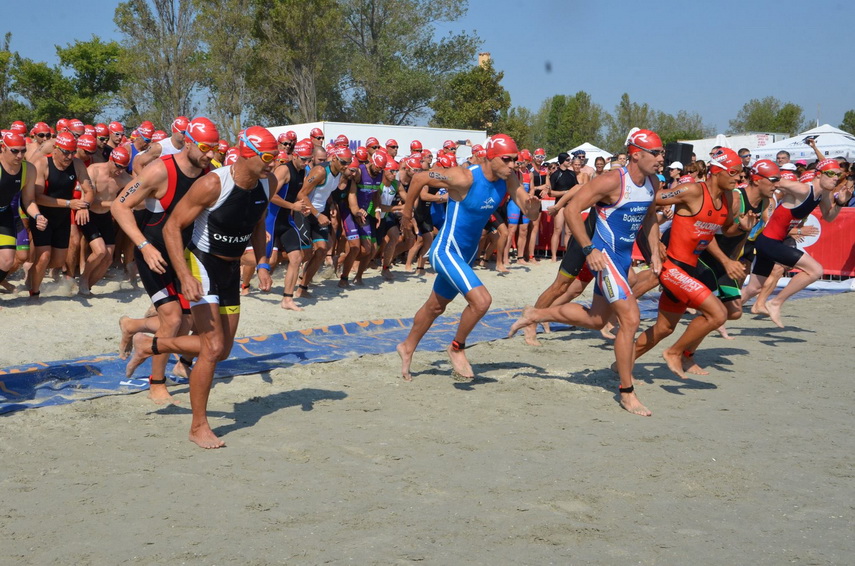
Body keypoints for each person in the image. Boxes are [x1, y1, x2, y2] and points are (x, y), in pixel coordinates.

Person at [126, 125, 278, 448]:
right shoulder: (213, 184)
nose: (272, 163)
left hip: (231, 268)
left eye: (275, 157)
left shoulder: (269, 183)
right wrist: (184, 276)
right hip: (203, 263)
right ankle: (198, 426)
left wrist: (262, 263)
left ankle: (150, 346)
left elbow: (258, 223)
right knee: (210, 347)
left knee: (222, 351)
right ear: (247, 152)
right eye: (267, 157)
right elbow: (172, 227)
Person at [509, 129, 664, 416]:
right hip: (604, 259)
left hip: (623, 259)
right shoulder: (611, 180)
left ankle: (535, 314)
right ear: (636, 154)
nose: (661, 158)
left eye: (662, 152)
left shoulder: (652, 182)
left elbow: (651, 217)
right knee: (631, 319)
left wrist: (654, 250)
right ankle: (626, 392)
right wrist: (589, 248)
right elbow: (572, 210)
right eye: (656, 153)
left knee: (596, 319)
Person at [397, 134, 539, 382]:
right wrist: (407, 214)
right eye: (507, 160)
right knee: (482, 301)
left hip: (467, 254)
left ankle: (407, 347)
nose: (513, 165)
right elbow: (419, 177)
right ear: (490, 157)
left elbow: (530, 212)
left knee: (435, 307)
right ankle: (457, 347)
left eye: (515, 160)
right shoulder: (463, 177)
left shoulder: (508, 179)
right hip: (446, 251)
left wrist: (534, 207)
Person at [113, 117, 220, 404]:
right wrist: (144, 246)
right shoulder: (160, 170)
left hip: (186, 254)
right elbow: (119, 205)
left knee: (193, 321)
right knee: (172, 319)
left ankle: (134, 328)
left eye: (215, 149)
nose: (211, 155)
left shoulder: (210, 174)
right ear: (188, 141)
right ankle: (156, 383)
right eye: (206, 148)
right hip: (155, 253)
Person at [631, 148, 755, 380]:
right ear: (717, 171)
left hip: (691, 267)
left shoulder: (728, 198)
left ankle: (623, 363)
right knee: (718, 313)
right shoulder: (691, 190)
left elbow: (725, 230)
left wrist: (741, 227)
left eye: (741, 173)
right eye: (734, 172)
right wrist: (655, 239)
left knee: (664, 328)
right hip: (673, 266)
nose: (739, 178)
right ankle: (675, 352)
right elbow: (648, 200)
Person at [741, 158, 852, 327]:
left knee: (752, 289)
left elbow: (829, 217)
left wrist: (841, 202)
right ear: (818, 174)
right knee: (815, 270)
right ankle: (775, 303)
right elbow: (776, 181)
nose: (836, 178)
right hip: (770, 242)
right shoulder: (802, 189)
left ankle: (718, 315)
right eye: (831, 174)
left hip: (771, 242)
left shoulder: (823, 194)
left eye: (839, 175)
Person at [30, 131, 94, 301]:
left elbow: (89, 191)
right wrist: (69, 203)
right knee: (44, 257)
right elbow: (37, 197)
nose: (69, 156)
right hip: (42, 216)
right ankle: (34, 293)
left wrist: (84, 206)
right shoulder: (42, 163)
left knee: (58, 261)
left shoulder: (77, 164)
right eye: (65, 152)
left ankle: (32, 271)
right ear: (56, 149)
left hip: (62, 218)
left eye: (73, 152)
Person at [78, 147, 133, 295]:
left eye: (124, 167)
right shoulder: (93, 170)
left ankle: (87, 287)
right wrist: (116, 204)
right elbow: (90, 201)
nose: (120, 171)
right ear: (110, 160)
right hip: (88, 215)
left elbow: (139, 192)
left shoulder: (125, 178)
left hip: (105, 217)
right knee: (100, 251)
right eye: (118, 166)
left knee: (108, 258)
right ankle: (83, 279)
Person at [0, 131, 47, 289]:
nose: (20, 155)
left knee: (7, 261)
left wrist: (37, 215)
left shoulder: (29, 170)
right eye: (15, 151)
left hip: (4, 213)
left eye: (23, 150)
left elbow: (29, 200)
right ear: (3, 148)